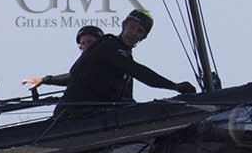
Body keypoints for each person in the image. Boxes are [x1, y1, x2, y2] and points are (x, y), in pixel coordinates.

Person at [57, 8, 195, 114]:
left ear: (143, 38)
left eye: (140, 31)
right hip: (75, 114)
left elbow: (126, 96)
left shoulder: (124, 58)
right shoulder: (109, 46)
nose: (133, 33)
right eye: (132, 27)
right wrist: (174, 86)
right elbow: (139, 72)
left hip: (97, 113)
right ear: (124, 26)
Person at [22, 24, 103, 91]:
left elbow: (77, 76)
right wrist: (43, 80)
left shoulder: (105, 58)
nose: (86, 45)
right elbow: (77, 77)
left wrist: (45, 80)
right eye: (83, 43)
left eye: (90, 41)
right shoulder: (85, 65)